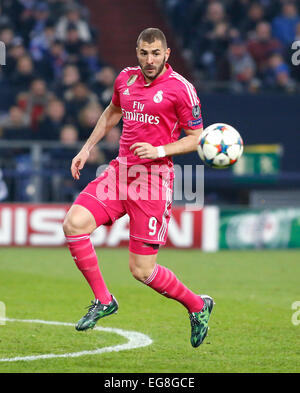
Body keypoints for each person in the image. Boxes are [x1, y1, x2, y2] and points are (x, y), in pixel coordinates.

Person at [62, 28, 214, 348]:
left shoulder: (181, 90)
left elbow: (196, 138)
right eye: (144, 53)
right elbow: (112, 112)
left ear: (167, 54)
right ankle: (104, 301)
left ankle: (198, 306)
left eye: (156, 53)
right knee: (74, 224)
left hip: (154, 182)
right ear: (137, 52)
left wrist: (159, 151)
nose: (149, 60)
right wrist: (87, 148)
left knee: (142, 270)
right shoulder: (125, 80)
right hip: (120, 173)